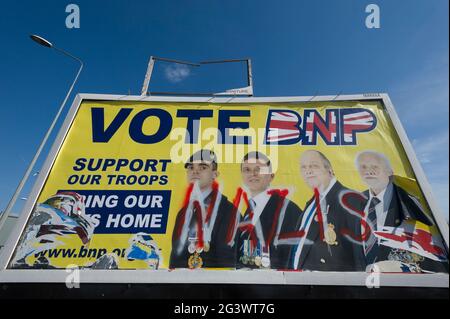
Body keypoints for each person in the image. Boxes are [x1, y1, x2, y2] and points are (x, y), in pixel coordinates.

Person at [356, 150, 448, 273]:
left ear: (389, 171)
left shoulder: (413, 203)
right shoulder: (353, 203)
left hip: (407, 284)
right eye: (363, 166)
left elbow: (433, 249)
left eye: (374, 166)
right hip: (360, 283)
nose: (368, 170)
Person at [291, 150, 365, 271]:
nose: (308, 171)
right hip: (301, 283)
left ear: (330, 170)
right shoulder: (311, 204)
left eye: (314, 166)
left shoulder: (349, 199)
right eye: (303, 167)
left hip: (333, 286)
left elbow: (358, 254)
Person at [169, 149, 237, 269]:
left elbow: (226, 263)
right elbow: (175, 258)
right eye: (191, 167)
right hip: (181, 284)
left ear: (215, 174)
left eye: (203, 167)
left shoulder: (229, 211)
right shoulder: (183, 213)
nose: (195, 171)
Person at [236, 151, 302, 270]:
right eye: (247, 170)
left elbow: (290, 258)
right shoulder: (249, 208)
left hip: (273, 283)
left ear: (271, 176)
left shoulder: (288, 210)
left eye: (258, 169)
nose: (253, 174)